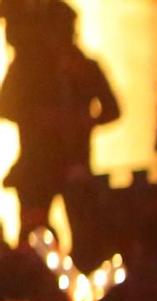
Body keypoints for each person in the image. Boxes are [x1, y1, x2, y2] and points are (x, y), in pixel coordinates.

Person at [0, 0, 119, 236]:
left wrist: (86, 121)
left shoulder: (86, 67)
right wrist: (39, 117)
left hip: (76, 163)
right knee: (33, 234)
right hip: (37, 164)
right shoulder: (28, 68)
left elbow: (113, 109)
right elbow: (4, 105)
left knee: (86, 234)